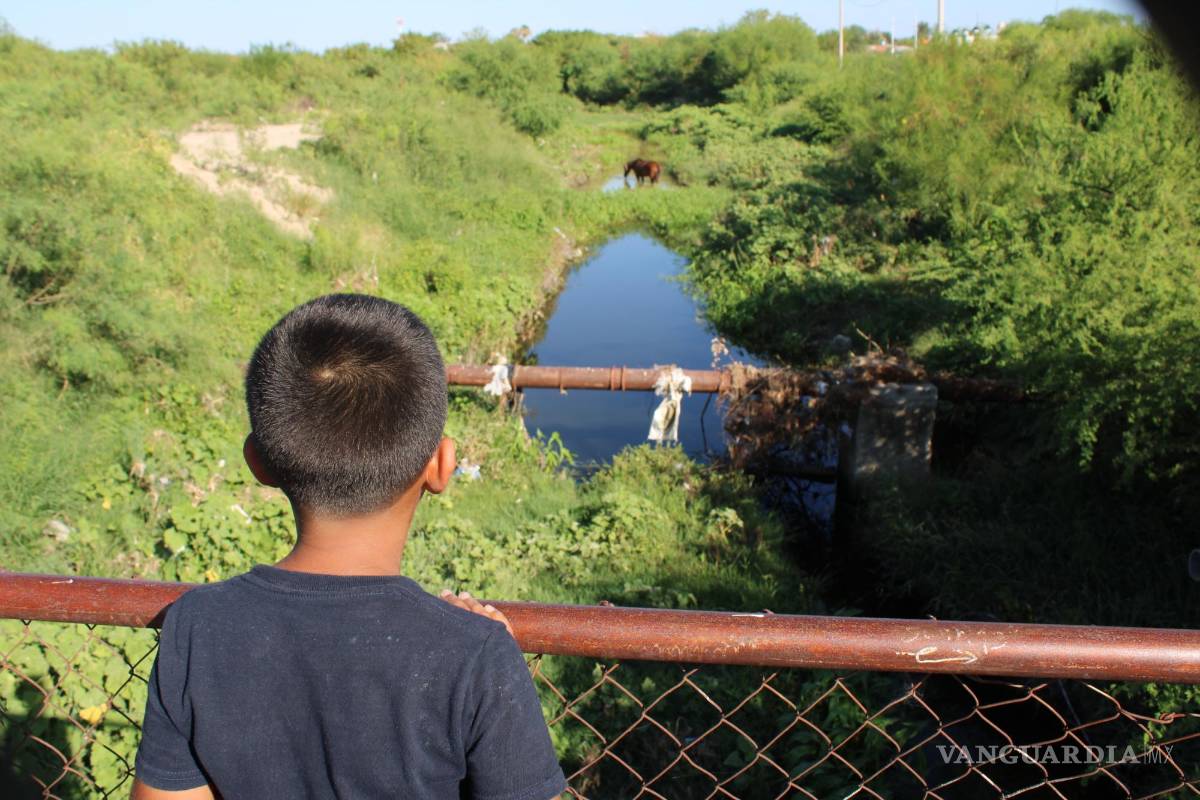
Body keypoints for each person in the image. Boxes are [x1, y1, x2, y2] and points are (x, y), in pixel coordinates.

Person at [132, 294, 567, 800]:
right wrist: (476, 644)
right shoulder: (475, 655)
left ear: (259, 463)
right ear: (441, 467)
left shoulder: (196, 626)